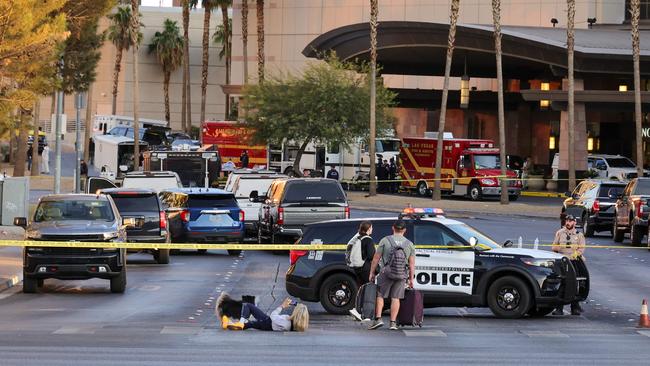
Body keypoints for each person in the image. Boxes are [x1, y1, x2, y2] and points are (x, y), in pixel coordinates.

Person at [368, 220, 415, 330]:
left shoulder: (385, 240)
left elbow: (376, 258)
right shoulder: (409, 244)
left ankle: (378, 319)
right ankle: (393, 323)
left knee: (380, 295)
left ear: (393, 228)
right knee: (396, 298)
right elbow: (412, 264)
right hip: (401, 274)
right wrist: (411, 279)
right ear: (404, 230)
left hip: (386, 273)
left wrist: (372, 272)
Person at [551, 214, 586, 316]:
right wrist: (560, 248)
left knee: (574, 284)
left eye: (570, 221)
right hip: (562, 261)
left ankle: (574, 307)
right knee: (562, 284)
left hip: (574, 262)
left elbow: (581, 249)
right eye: (567, 221)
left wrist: (576, 254)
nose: (568, 223)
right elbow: (553, 247)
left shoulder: (579, 235)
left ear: (574, 222)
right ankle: (559, 308)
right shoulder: (560, 233)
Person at [224, 297, 309, 332]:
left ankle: (238, 323)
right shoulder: (298, 325)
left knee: (248, 306)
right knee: (249, 324)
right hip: (268, 324)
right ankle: (231, 324)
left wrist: (282, 306)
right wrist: (296, 305)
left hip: (266, 322)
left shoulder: (286, 322)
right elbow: (301, 312)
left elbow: (273, 316)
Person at [347, 221, 376, 321]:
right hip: (366, 268)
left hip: (357, 267)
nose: (372, 229)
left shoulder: (357, 238)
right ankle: (365, 313)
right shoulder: (368, 240)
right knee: (368, 290)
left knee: (361, 289)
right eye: (371, 228)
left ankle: (357, 309)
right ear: (368, 229)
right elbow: (371, 255)